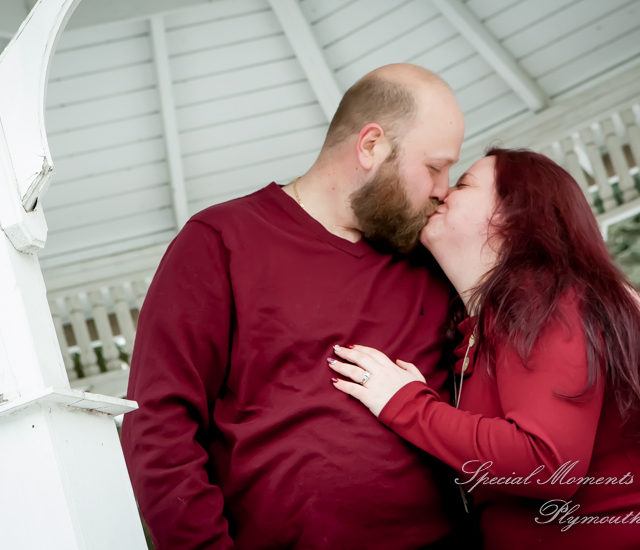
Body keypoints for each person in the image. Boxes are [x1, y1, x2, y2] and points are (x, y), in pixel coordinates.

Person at [120, 63, 467, 549]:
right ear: (371, 145)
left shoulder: (433, 252)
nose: (443, 189)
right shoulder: (221, 240)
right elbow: (158, 423)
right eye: (434, 167)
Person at [328, 149, 640, 549]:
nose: (442, 192)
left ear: (515, 217)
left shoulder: (553, 304)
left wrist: (406, 404)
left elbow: (548, 464)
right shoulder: (483, 331)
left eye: (463, 184)